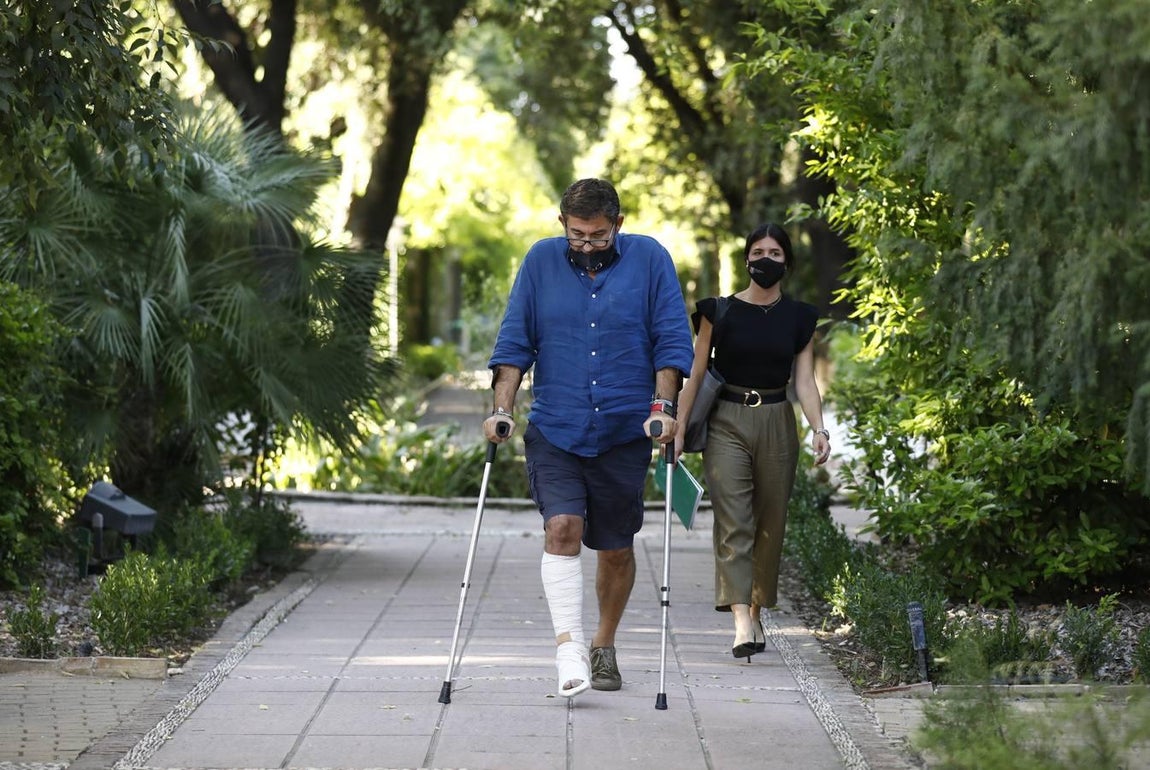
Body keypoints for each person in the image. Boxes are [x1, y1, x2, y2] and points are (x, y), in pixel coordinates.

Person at [484, 178, 694, 699]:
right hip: (557, 427)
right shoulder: (540, 262)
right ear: (563, 226)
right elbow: (515, 342)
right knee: (562, 527)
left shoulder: (650, 260)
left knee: (616, 551)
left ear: (617, 226)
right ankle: (570, 649)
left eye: (598, 237)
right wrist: (501, 410)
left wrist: (663, 409)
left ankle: (603, 643)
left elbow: (670, 338)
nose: (586, 246)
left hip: (624, 431)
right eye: (577, 236)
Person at [674, 222, 830, 661]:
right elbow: (697, 372)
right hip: (727, 419)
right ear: (746, 259)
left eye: (775, 254)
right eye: (758, 252)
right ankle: (741, 618)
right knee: (734, 518)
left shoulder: (800, 317)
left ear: (787, 263)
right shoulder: (717, 311)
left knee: (769, 522)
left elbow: (805, 379)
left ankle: (757, 608)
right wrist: (680, 427)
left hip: (778, 419)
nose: (766, 260)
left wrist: (819, 429)